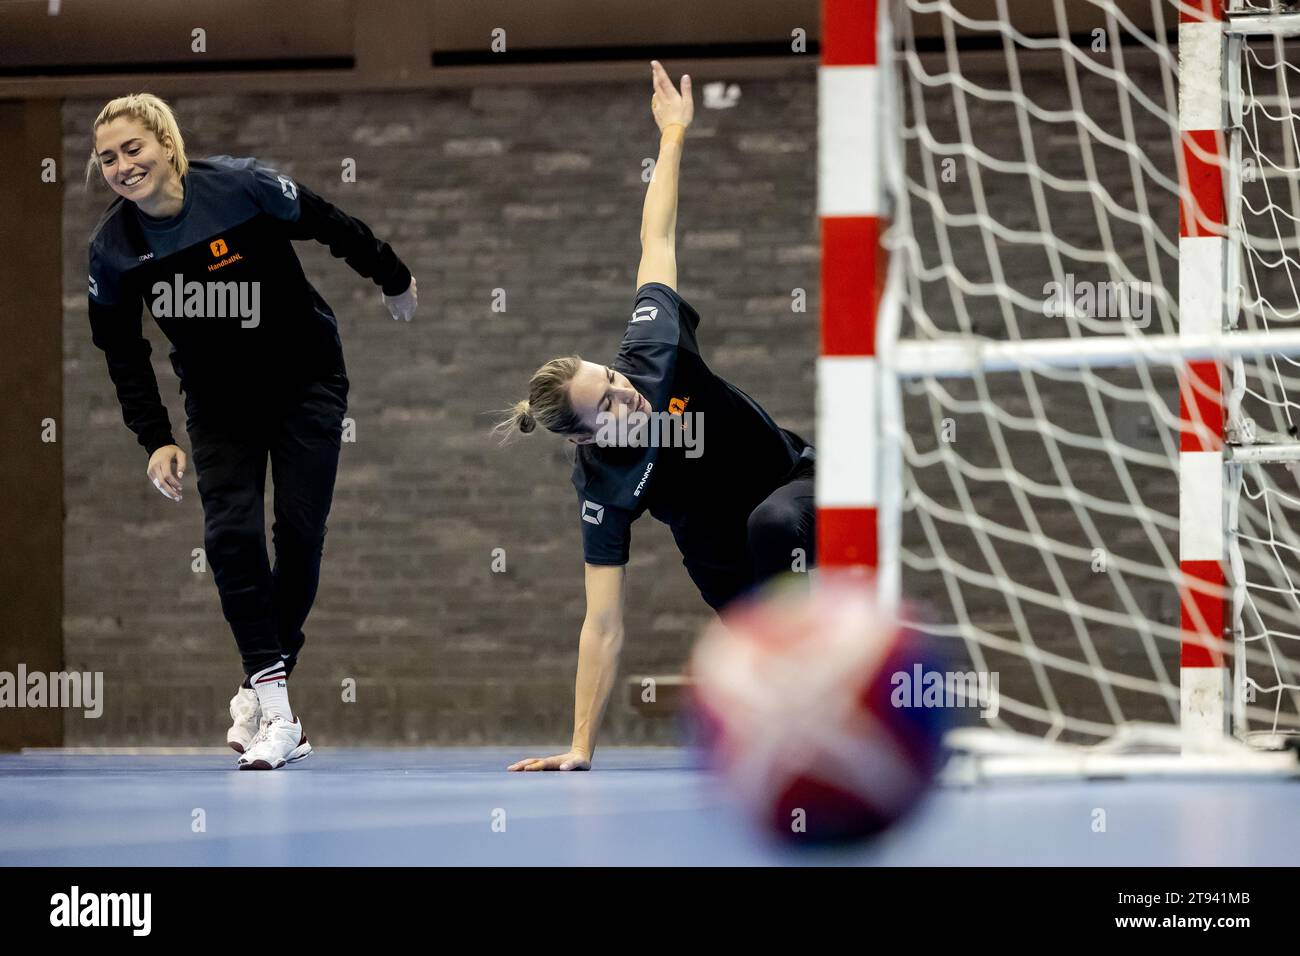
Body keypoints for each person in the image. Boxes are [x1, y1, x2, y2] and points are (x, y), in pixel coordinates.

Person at [86, 93, 418, 769]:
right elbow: (123, 354)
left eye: (133, 149)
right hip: (218, 402)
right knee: (228, 533)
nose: (122, 166)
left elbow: (327, 220)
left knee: (297, 532)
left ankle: (257, 684)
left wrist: (392, 275)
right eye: (107, 158)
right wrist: (156, 438)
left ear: (167, 146)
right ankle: (279, 712)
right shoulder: (114, 252)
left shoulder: (244, 187)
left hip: (306, 379)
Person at [503, 63, 815, 772]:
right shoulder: (602, 488)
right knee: (742, 631)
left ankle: (833, 629)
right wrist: (581, 745)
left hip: (795, 488)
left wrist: (672, 134)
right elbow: (603, 622)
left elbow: (657, 239)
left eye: (612, 379)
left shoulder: (653, 343)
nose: (626, 397)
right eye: (607, 406)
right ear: (585, 439)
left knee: (773, 526)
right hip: (727, 554)